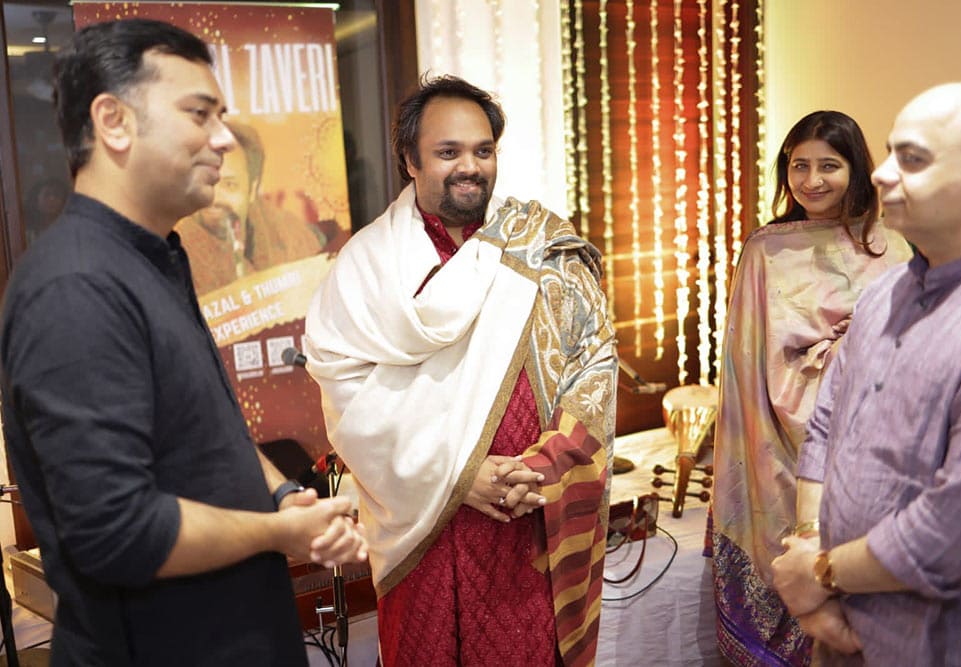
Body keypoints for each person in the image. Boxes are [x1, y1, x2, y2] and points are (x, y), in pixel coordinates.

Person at [0, 19, 367, 666]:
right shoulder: (76, 286)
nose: (224, 138)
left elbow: (212, 425)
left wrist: (283, 496)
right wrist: (277, 532)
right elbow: (117, 531)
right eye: (200, 114)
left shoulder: (155, 256)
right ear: (114, 122)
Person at [304, 74, 617, 666]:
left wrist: (545, 464)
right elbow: (349, 398)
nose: (469, 167)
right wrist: (456, 475)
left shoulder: (540, 247)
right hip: (424, 530)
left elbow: (593, 363)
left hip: (524, 519)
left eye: (483, 150)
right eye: (448, 152)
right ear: (411, 160)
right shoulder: (367, 267)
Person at [770, 82, 961, 665]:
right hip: (839, 633)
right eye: (890, 152)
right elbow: (826, 427)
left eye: (912, 159)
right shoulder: (885, 294)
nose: (880, 174)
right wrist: (810, 544)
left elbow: (951, 532)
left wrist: (819, 574)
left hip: (938, 643)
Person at [710, 110, 911, 665]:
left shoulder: (893, 242)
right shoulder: (766, 249)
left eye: (829, 165)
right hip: (779, 436)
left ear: (856, 169)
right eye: (799, 166)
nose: (812, 180)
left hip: (875, 438)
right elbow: (749, 358)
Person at [177, 120, 338, 293]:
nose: (215, 197)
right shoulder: (172, 255)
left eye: (230, 185)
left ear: (252, 190)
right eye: (207, 182)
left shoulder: (291, 237)